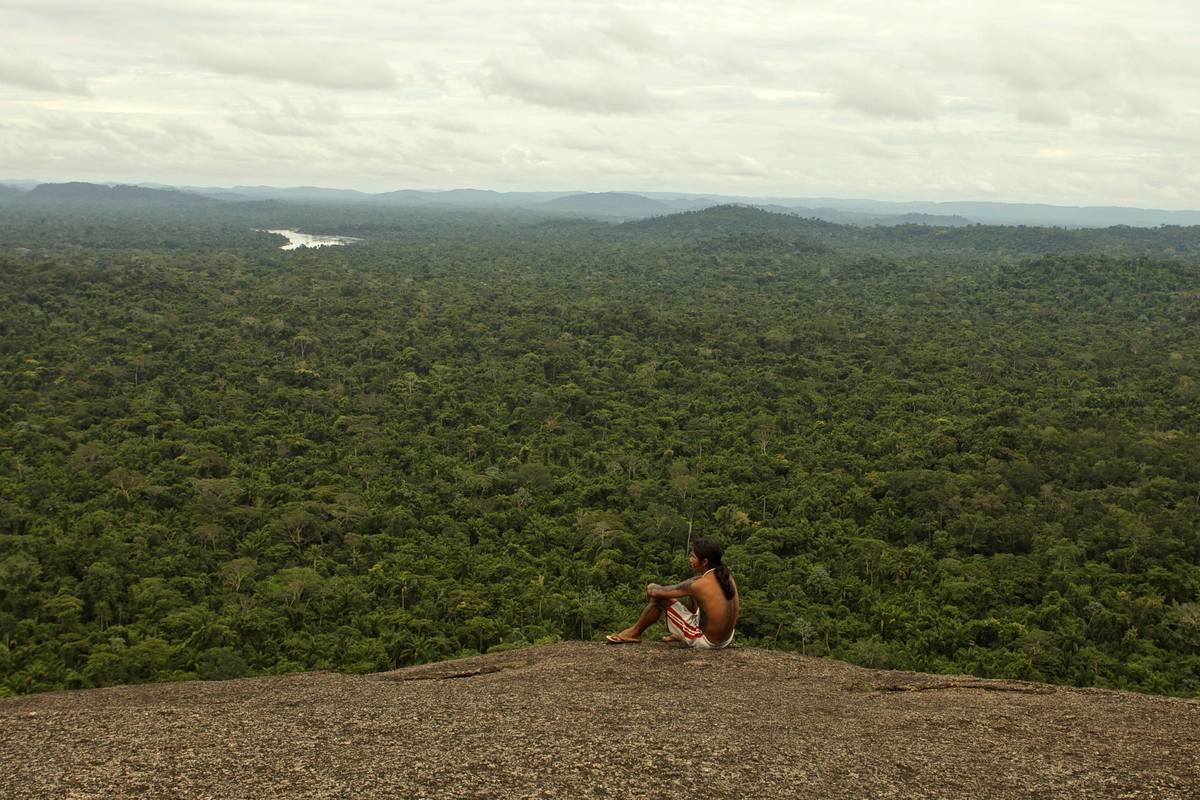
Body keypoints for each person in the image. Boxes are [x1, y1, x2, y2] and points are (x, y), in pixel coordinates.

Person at [606, 537, 739, 649]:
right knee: (694, 598)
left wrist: (651, 587)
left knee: (658, 600)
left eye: (692, 556)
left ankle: (634, 633)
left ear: (704, 562)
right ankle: (683, 631)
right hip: (725, 639)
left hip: (708, 642)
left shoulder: (698, 585)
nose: (690, 560)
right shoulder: (726, 576)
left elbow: (654, 591)